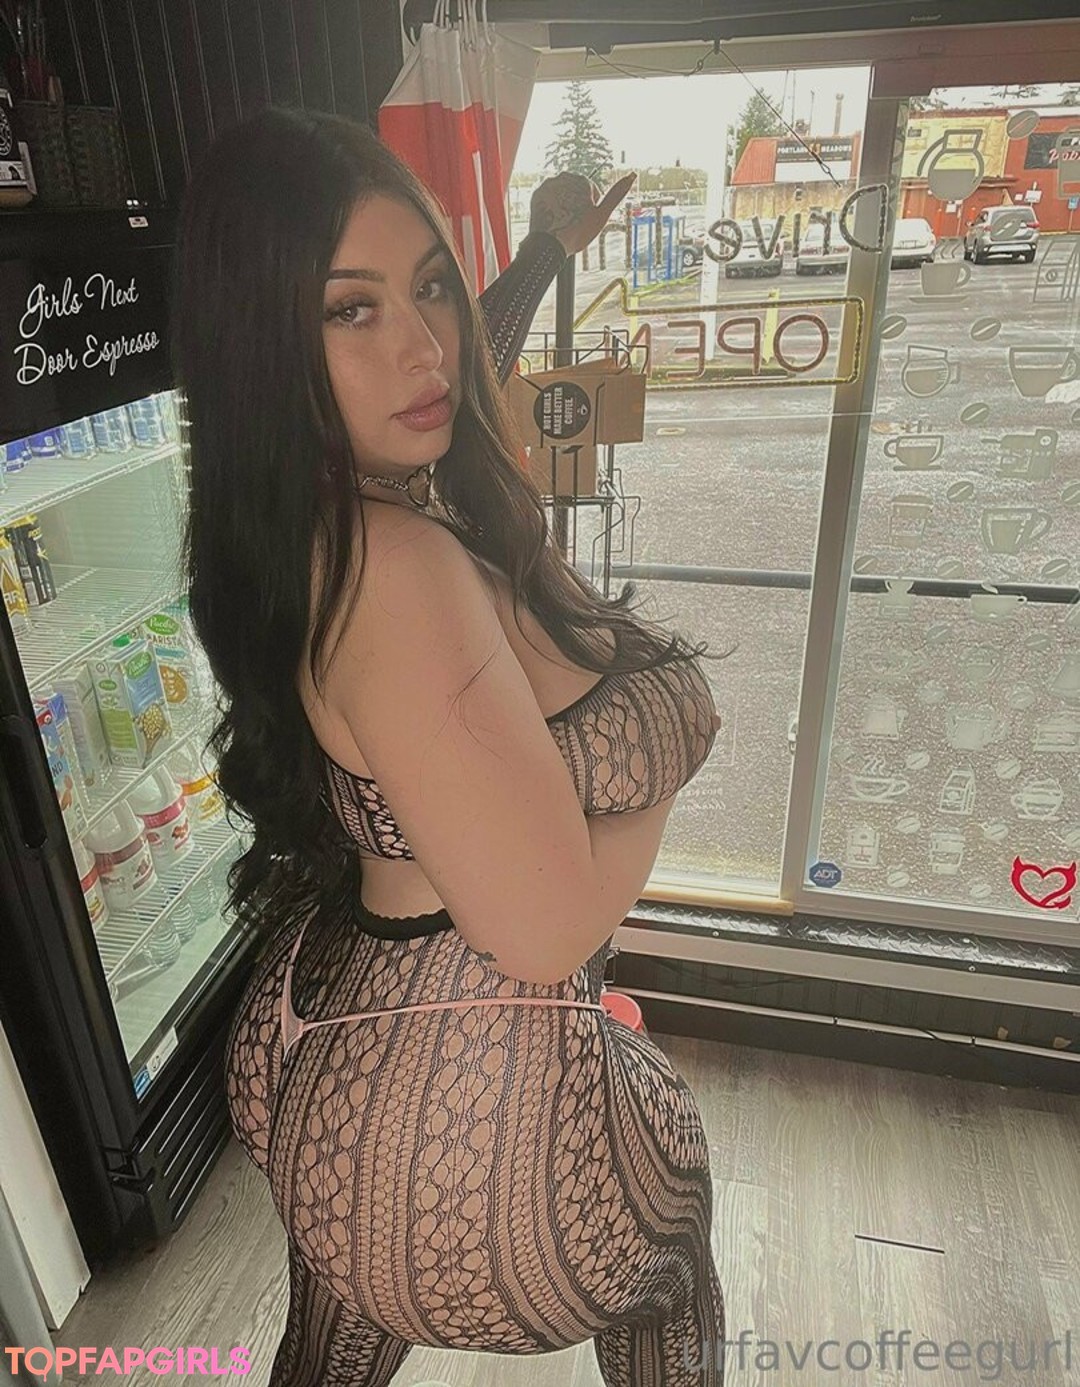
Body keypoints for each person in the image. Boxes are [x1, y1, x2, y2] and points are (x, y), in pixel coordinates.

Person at [171, 105, 727, 1386]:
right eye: (349, 309)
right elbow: (545, 934)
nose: (423, 345)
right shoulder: (401, 566)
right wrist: (672, 744)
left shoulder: (299, 520)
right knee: (672, 1255)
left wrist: (542, 250)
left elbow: (458, 368)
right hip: (456, 1092)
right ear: (266, 341)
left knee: (330, 1346)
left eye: (430, 285)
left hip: (319, 1042)